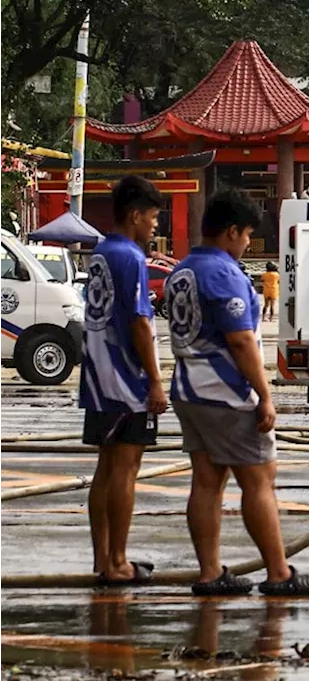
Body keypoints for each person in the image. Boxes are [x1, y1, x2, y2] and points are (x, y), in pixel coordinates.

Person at [168, 188, 309, 596]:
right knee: (259, 480)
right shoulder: (224, 273)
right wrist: (264, 395)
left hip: (188, 387)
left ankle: (210, 572)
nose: (249, 243)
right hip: (226, 392)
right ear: (231, 232)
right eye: (248, 234)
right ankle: (278, 572)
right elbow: (241, 341)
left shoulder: (183, 270)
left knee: (205, 482)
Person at [80, 175, 168, 585]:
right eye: (152, 218)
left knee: (106, 466)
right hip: (124, 377)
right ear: (134, 215)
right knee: (125, 467)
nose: (155, 226)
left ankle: (103, 557)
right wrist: (155, 379)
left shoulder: (101, 252)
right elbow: (139, 322)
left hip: (97, 374)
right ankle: (117, 561)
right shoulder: (130, 258)